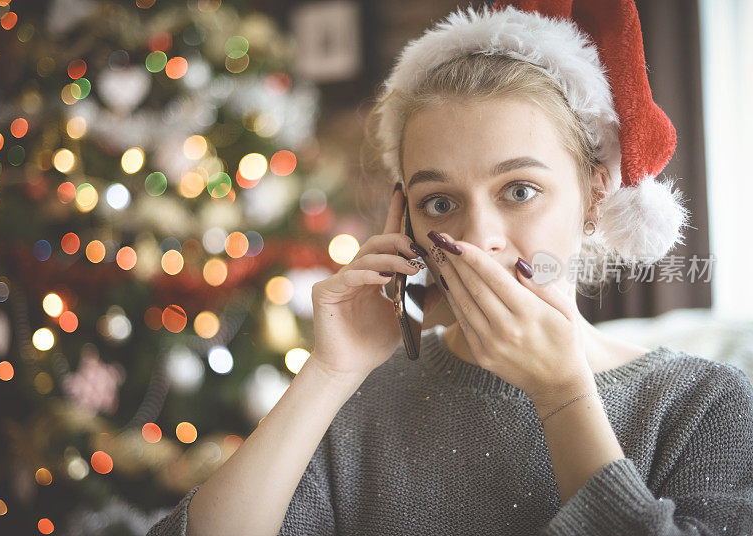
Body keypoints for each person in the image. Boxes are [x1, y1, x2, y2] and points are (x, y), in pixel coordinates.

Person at [147, 1, 753, 535]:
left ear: (595, 193)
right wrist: (331, 372)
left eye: (519, 190)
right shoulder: (362, 402)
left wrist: (562, 391)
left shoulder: (705, 404)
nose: (478, 238)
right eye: (439, 203)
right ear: (405, 219)